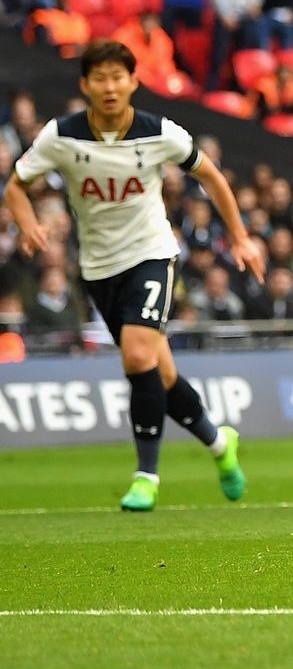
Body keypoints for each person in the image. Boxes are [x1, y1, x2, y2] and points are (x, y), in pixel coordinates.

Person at [3, 40, 262, 511]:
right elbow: (16, 186)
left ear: (133, 82)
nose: (109, 86)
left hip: (151, 255)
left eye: (117, 77)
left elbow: (214, 178)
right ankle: (220, 444)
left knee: (139, 356)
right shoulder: (61, 136)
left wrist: (241, 237)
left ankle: (147, 477)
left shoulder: (159, 133)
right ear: (85, 85)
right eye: (99, 78)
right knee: (159, 372)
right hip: (99, 269)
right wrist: (27, 224)